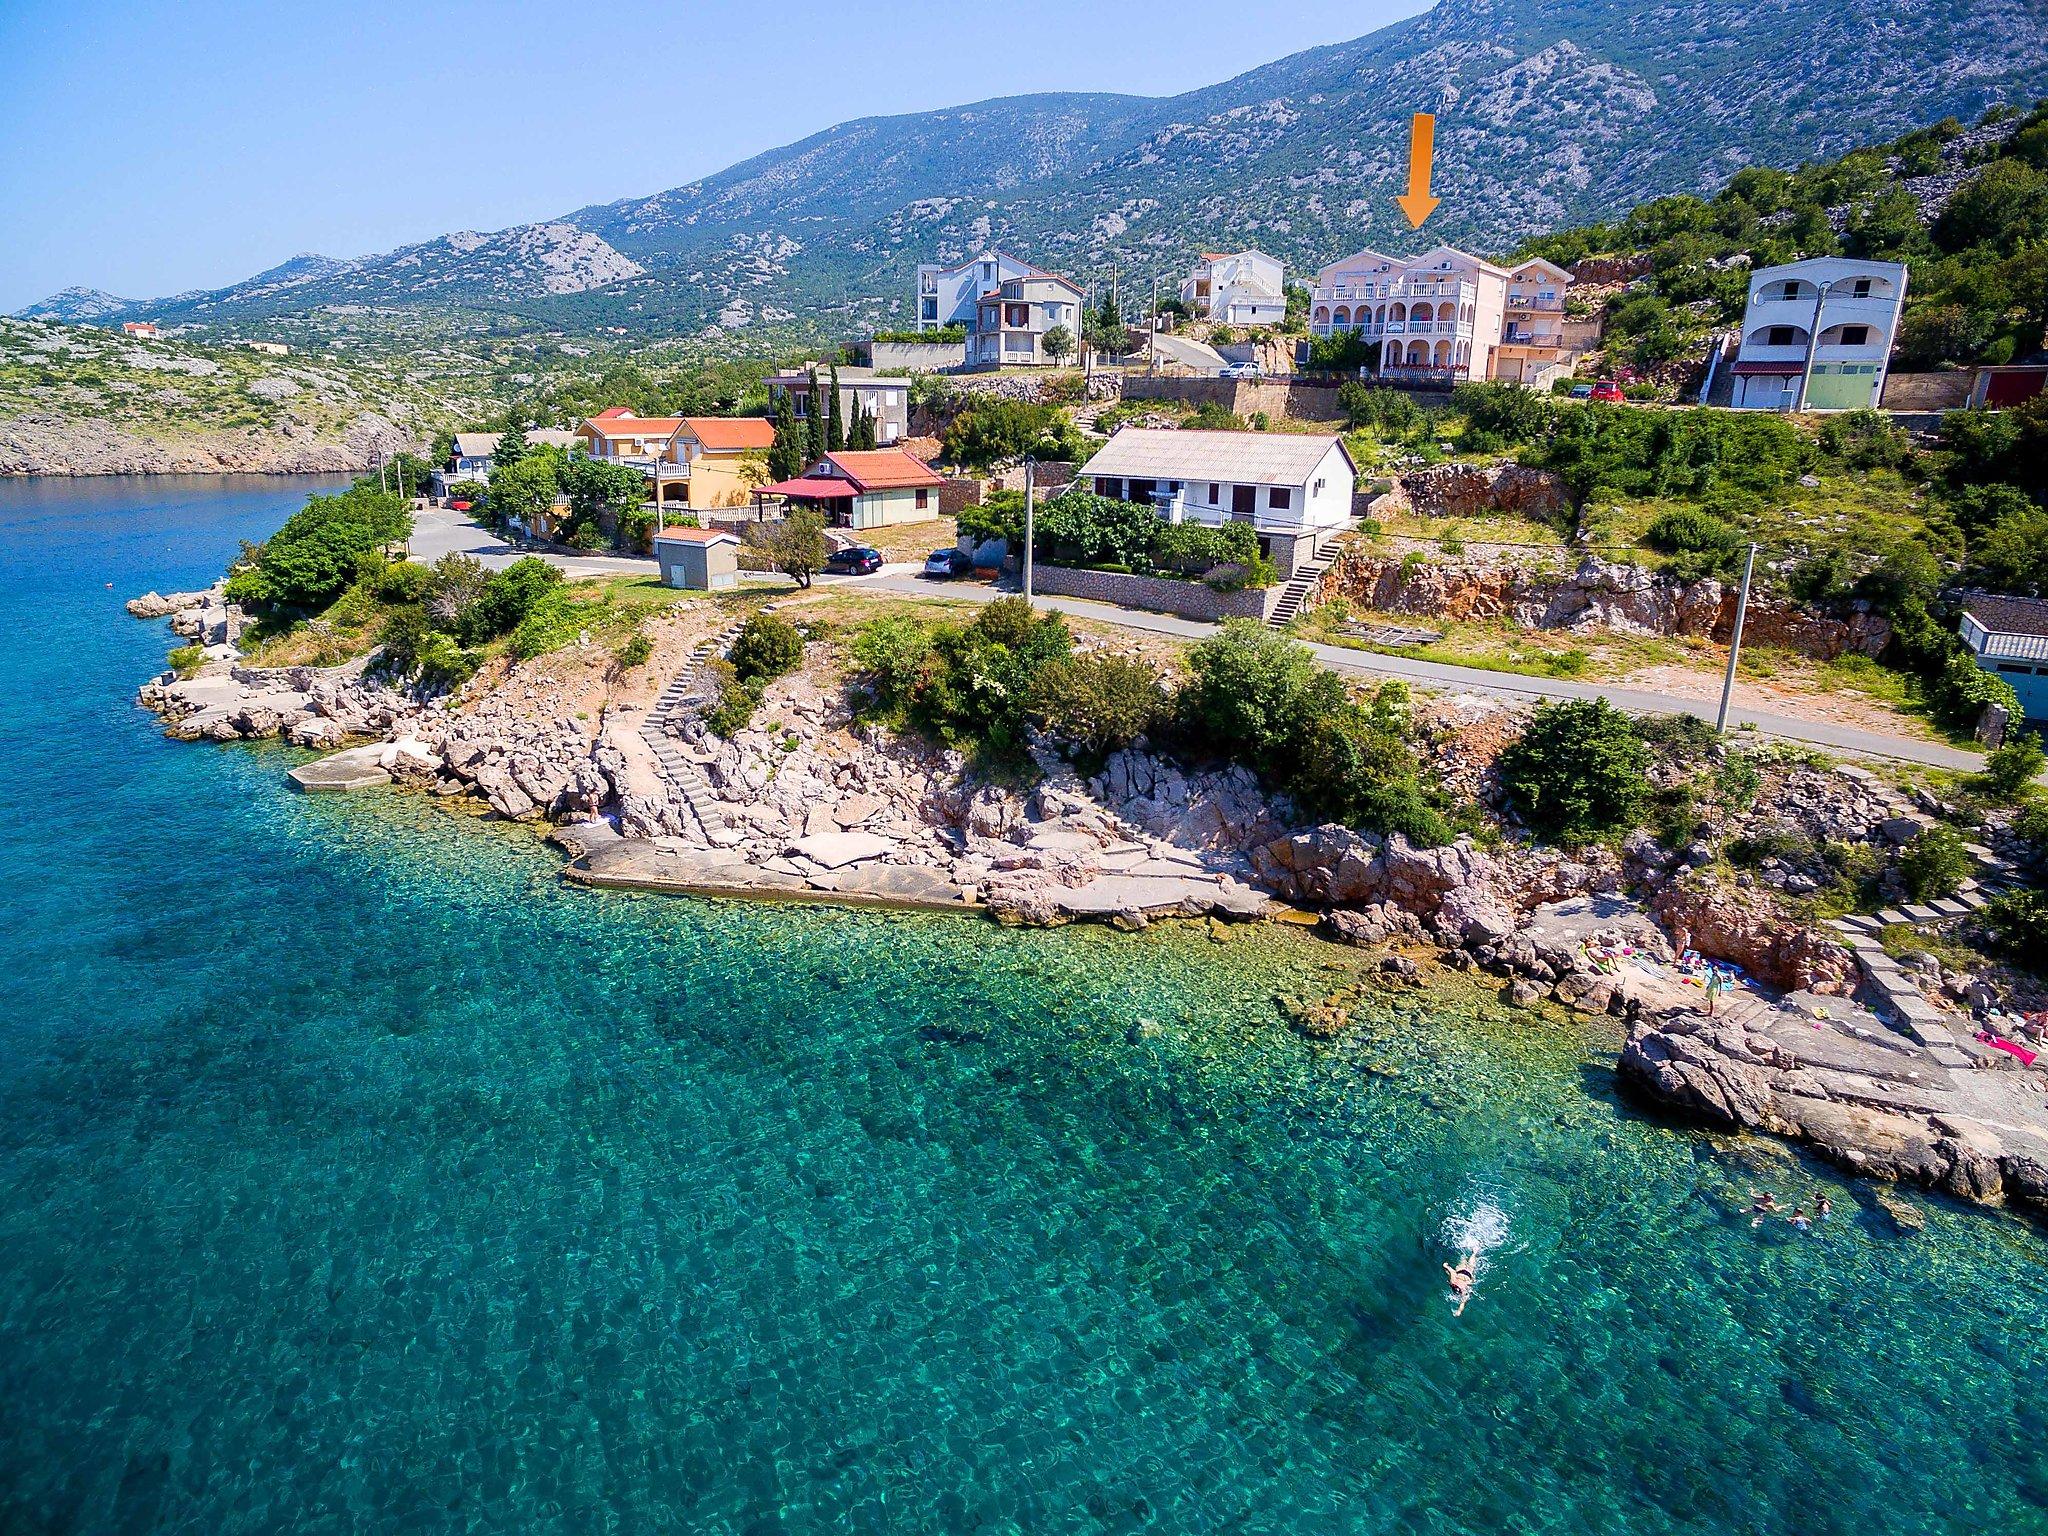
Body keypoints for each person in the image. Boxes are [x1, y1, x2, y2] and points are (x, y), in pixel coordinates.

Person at [1444, 1252, 1477, 1317]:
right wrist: (1446, 1266)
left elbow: (1463, 1303)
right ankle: (1472, 1252)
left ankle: (1473, 1252)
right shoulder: (1453, 1282)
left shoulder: (1463, 1289)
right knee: (1464, 1258)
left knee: (1470, 1258)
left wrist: (1459, 1311)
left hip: (1468, 1273)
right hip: (1461, 1270)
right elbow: (1452, 1271)